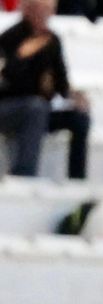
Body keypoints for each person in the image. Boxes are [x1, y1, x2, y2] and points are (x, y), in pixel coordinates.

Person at [0, 0, 90, 179]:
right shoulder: (9, 38)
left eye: (48, 10)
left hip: (40, 108)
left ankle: (76, 178)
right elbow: (6, 81)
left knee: (79, 119)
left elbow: (61, 83)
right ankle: (24, 173)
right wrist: (21, 56)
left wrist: (75, 96)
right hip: (9, 108)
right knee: (36, 107)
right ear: (27, 10)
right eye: (39, 9)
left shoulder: (52, 40)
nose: (43, 14)